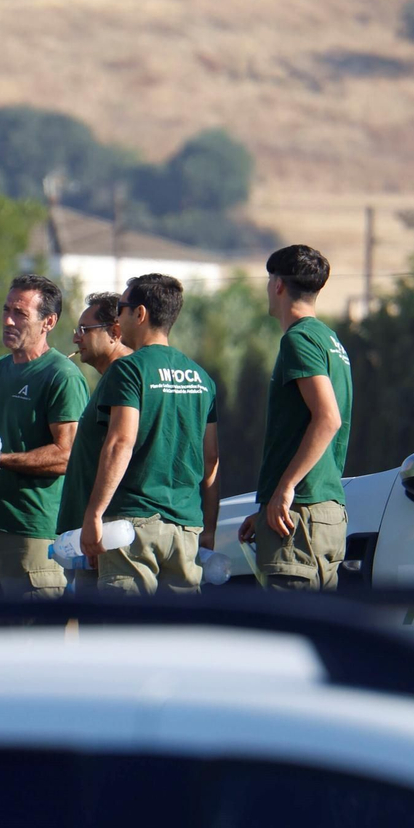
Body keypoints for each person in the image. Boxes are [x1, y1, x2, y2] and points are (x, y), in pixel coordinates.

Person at [0, 275, 88, 601]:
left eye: (21, 313)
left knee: (32, 642)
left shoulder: (61, 376)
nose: (8, 320)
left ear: (48, 322)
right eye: (6, 309)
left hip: (32, 532)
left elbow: (67, 456)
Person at [79, 274, 220, 595]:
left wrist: (94, 514)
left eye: (122, 309)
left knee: (127, 637)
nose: (117, 318)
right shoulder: (202, 378)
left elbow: (120, 443)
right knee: (175, 638)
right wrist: (208, 529)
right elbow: (211, 460)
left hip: (133, 527)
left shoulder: (128, 369)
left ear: (140, 314)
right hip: (186, 527)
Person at [237, 244, 353, 591]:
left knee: (287, 639)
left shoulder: (299, 340)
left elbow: (328, 418)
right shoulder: (330, 340)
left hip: (299, 515)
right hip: (323, 513)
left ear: (278, 285)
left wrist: (284, 490)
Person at [56, 292, 132, 595]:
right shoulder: (112, 377)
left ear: (115, 332)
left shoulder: (126, 376)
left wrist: (98, 522)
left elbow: (123, 452)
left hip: (108, 535)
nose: (76, 338)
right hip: (95, 536)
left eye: (84, 330)